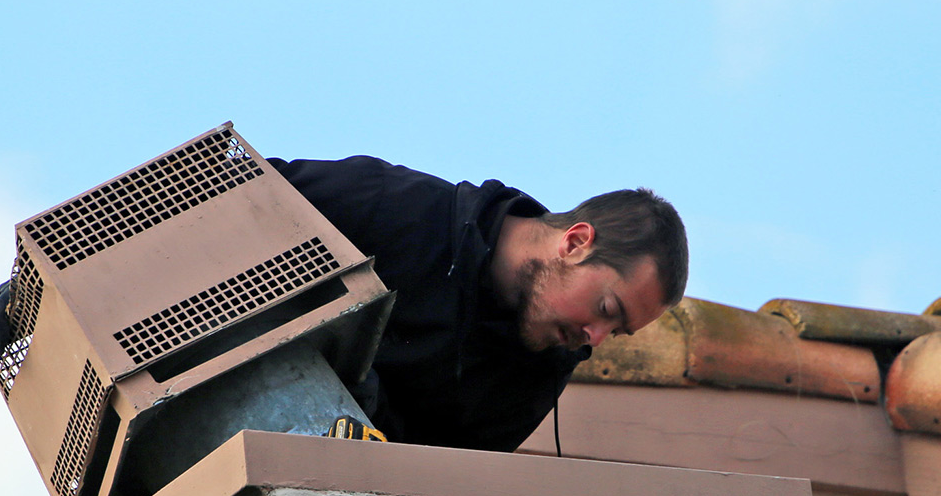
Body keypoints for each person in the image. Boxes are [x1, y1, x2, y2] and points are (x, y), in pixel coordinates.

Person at [268, 155, 687, 453]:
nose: (594, 338)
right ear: (575, 243)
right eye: (607, 310)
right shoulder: (399, 207)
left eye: (615, 333)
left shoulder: (533, 377)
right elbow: (226, 190)